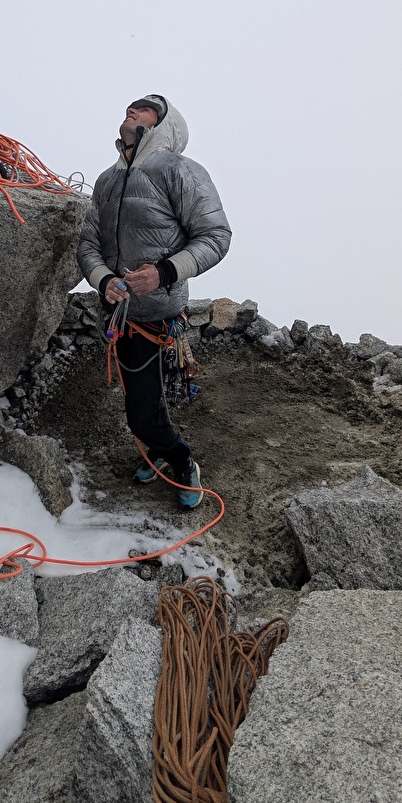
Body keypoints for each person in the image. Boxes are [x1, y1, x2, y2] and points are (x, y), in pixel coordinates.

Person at [76, 95, 232, 507]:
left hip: (160, 315)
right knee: (141, 398)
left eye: (147, 108)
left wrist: (162, 272)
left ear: (165, 126)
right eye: (132, 105)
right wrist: (103, 278)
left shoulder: (181, 170)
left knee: (140, 408)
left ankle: (181, 459)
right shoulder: (107, 181)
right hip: (121, 312)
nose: (133, 108)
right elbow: (89, 243)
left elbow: (216, 237)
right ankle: (160, 449)